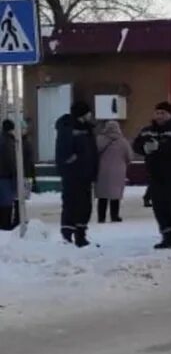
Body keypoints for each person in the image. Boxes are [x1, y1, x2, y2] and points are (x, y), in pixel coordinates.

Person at [134, 102, 171, 249]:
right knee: (160, 207)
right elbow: (136, 144)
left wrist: (161, 147)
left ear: (170, 114)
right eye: (157, 113)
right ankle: (167, 235)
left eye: (163, 113)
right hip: (156, 175)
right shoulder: (148, 131)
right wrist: (144, 148)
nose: (159, 116)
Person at [55, 101, 98, 246]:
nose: (90, 115)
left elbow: (92, 151)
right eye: (88, 112)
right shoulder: (68, 127)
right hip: (73, 174)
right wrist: (71, 160)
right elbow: (63, 150)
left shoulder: (88, 129)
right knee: (71, 203)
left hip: (86, 173)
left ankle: (81, 233)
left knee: (84, 205)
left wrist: (93, 169)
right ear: (82, 114)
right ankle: (67, 233)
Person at [95, 120, 132, 223]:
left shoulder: (99, 140)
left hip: (102, 170)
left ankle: (101, 217)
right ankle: (114, 216)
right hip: (118, 171)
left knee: (102, 196)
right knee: (115, 195)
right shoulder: (123, 142)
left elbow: (93, 153)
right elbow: (129, 156)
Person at [0, 119, 34, 230]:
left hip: (18, 174)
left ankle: (16, 220)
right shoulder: (11, 142)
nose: (25, 130)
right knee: (14, 199)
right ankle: (12, 222)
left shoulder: (14, 141)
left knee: (17, 199)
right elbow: (11, 159)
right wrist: (16, 172)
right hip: (13, 174)